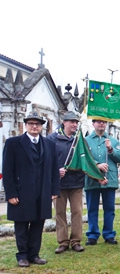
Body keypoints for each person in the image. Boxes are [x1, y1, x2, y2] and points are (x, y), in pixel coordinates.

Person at [2, 111, 60, 267]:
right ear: (25, 125)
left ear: (41, 126)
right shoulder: (13, 143)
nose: (34, 126)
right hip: (21, 192)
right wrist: (11, 193)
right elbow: (7, 171)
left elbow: (54, 169)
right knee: (21, 224)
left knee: (38, 224)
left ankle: (34, 254)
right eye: (31, 124)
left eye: (37, 124)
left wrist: (54, 190)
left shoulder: (49, 144)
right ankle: (22, 256)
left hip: (43, 191)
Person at [47, 111, 86, 254]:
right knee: (60, 213)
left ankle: (76, 241)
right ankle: (63, 242)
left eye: (76, 122)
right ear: (64, 122)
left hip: (76, 182)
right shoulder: (52, 139)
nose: (75, 124)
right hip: (58, 183)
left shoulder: (80, 139)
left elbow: (85, 158)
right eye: (72, 122)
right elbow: (46, 160)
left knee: (77, 212)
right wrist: (56, 171)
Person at [84, 118, 120, 245]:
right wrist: (97, 165)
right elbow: (84, 158)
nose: (101, 124)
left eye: (103, 122)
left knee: (109, 209)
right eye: (98, 121)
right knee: (92, 208)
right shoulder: (86, 140)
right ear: (93, 124)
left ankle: (108, 234)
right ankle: (92, 234)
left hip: (109, 179)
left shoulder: (113, 140)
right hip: (92, 179)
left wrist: (111, 149)